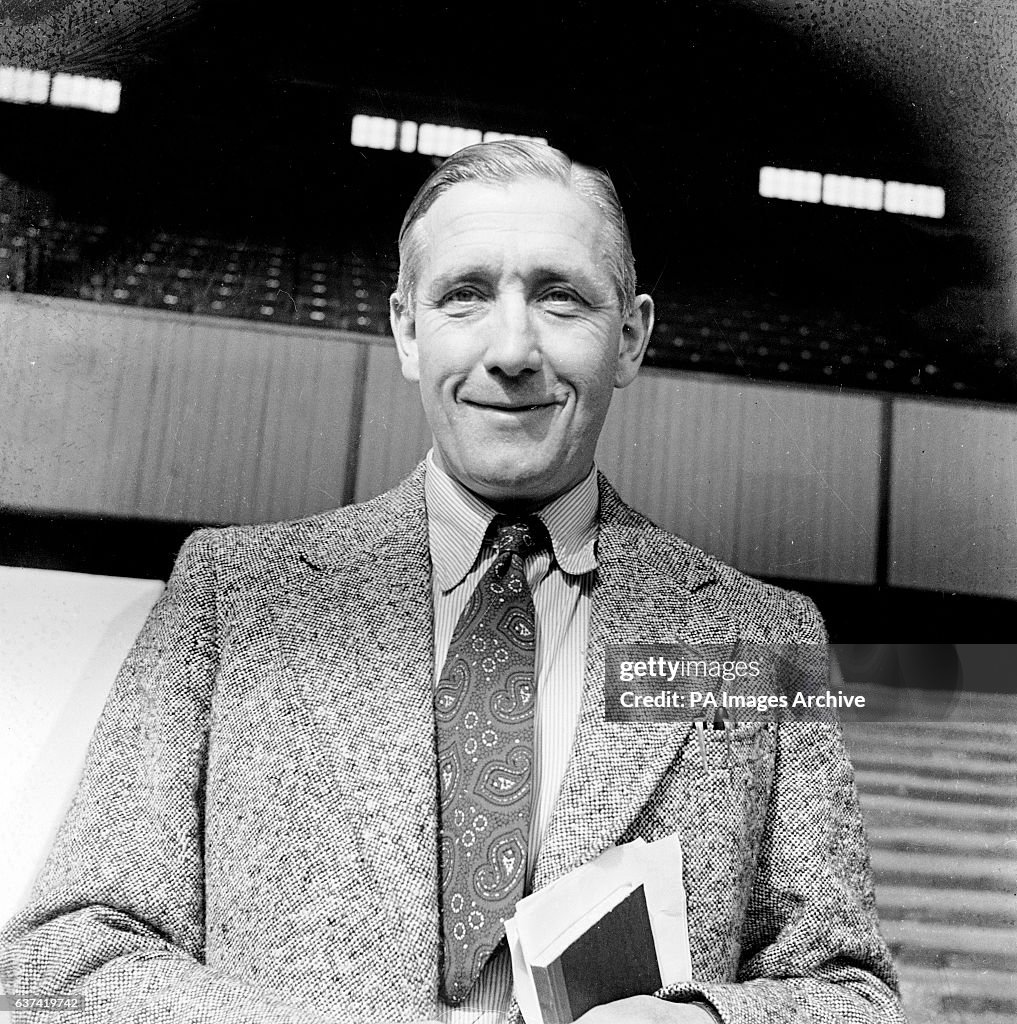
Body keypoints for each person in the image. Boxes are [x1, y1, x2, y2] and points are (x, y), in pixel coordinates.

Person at [0, 140, 905, 1024]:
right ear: (405, 328)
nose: (512, 351)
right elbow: (71, 955)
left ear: (629, 337)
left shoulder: (757, 637)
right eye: (465, 296)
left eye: (560, 298)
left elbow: (846, 992)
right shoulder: (235, 596)